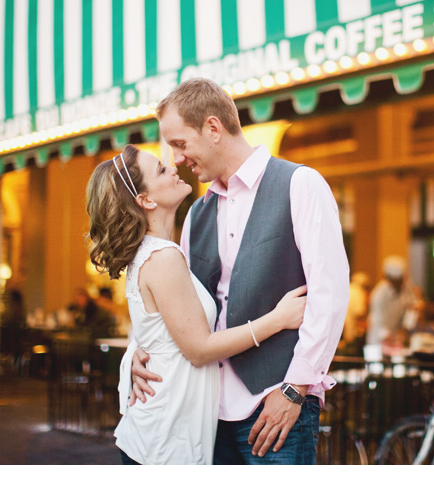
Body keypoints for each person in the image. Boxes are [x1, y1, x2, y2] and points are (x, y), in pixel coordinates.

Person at [130, 78, 350, 464]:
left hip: (277, 406)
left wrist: (296, 388)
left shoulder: (300, 184)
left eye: (180, 144)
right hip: (205, 415)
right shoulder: (195, 215)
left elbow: (329, 297)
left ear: (213, 128)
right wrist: (135, 353)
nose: (178, 159)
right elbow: (177, 310)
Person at [85, 144, 308, 464]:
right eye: (161, 170)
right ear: (145, 200)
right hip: (165, 440)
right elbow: (199, 348)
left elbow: (157, 332)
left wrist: (135, 353)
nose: (174, 167)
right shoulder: (163, 257)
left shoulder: (154, 252)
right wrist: (278, 319)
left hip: (164, 433)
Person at [366, 256, 419, 350]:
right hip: (378, 339)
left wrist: (406, 327)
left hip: (395, 338)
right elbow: (376, 318)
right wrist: (385, 335)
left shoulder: (406, 290)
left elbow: (413, 308)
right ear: (388, 278)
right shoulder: (379, 294)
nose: (397, 284)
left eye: (399, 280)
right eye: (394, 281)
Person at [341, 272, 370, 354]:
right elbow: (359, 313)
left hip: (343, 328)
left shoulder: (349, 289)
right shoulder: (358, 292)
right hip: (352, 330)